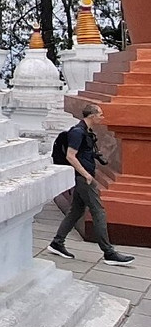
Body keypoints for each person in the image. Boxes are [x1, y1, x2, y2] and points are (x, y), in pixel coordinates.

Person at [48, 104, 135, 266]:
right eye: (100, 114)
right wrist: (86, 174)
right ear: (91, 116)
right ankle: (109, 252)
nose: (102, 117)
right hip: (83, 179)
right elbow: (71, 156)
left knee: (76, 210)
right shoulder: (77, 132)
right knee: (98, 211)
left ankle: (57, 243)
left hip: (84, 177)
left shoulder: (86, 132)